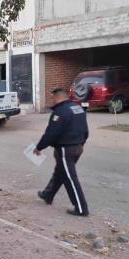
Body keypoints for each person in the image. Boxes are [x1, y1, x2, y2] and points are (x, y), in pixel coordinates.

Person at [34, 87, 89, 216]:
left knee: (70, 178)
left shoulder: (60, 112)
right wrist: (82, 143)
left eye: (54, 98)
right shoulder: (78, 108)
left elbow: (51, 133)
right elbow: (85, 130)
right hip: (77, 147)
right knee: (60, 172)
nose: (53, 100)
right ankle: (48, 194)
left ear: (58, 97)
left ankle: (81, 208)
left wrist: (39, 147)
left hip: (65, 149)